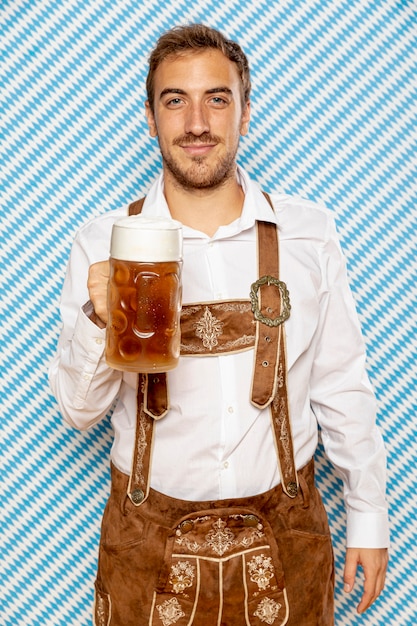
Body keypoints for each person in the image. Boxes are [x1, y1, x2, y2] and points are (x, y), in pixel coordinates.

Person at [49, 23, 389, 626]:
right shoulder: (101, 241)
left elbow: (342, 385)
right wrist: (101, 317)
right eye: (175, 100)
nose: (197, 122)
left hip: (288, 536)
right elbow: (79, 412)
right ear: (151, 119)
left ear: (245, 112)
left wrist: (368, 514)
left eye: (218, 98)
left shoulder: (310, 233)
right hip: (145, 544)